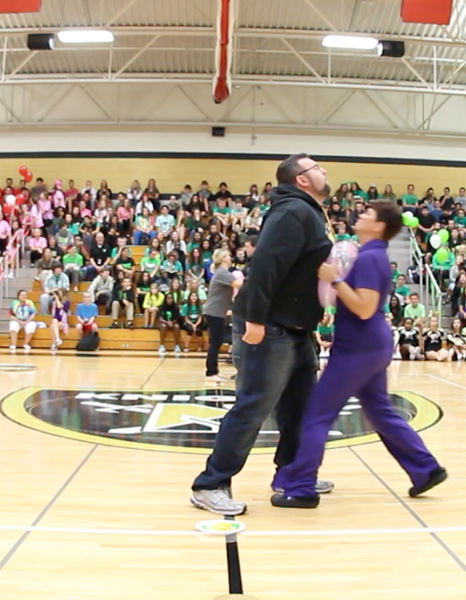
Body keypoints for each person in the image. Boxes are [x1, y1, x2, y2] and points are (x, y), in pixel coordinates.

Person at [271, 201, 446, 508]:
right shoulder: (372, 256)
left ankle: (300, 487)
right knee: (380, 411)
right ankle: (426, 469)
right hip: (371, 344)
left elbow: (364, 307)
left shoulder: (370, 258)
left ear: (378, 226)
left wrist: (335, 279)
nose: (360, 215)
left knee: (317, 414)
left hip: (359, 346)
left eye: (368, 214)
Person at [190, 153, 334, 516]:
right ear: (301, 179)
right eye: (316, 167)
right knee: (253, 405)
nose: (324, 171)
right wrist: (255, 320)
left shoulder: (308, 211)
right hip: (270, 326)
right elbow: (265, 265)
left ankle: (292, 475)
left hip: (298, 327)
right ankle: (210, 484)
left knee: (299, 410)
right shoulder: (292, 212)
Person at [203, 248, 242, 382]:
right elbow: (239, 284)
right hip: (214, 312)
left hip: (217, 312)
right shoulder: (222, 273)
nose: (231, 258)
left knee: (216, 342)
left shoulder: (223, 273)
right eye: (229, 256)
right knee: (216, 342)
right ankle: (211, 372)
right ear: (223, 258)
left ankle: (212, 371)